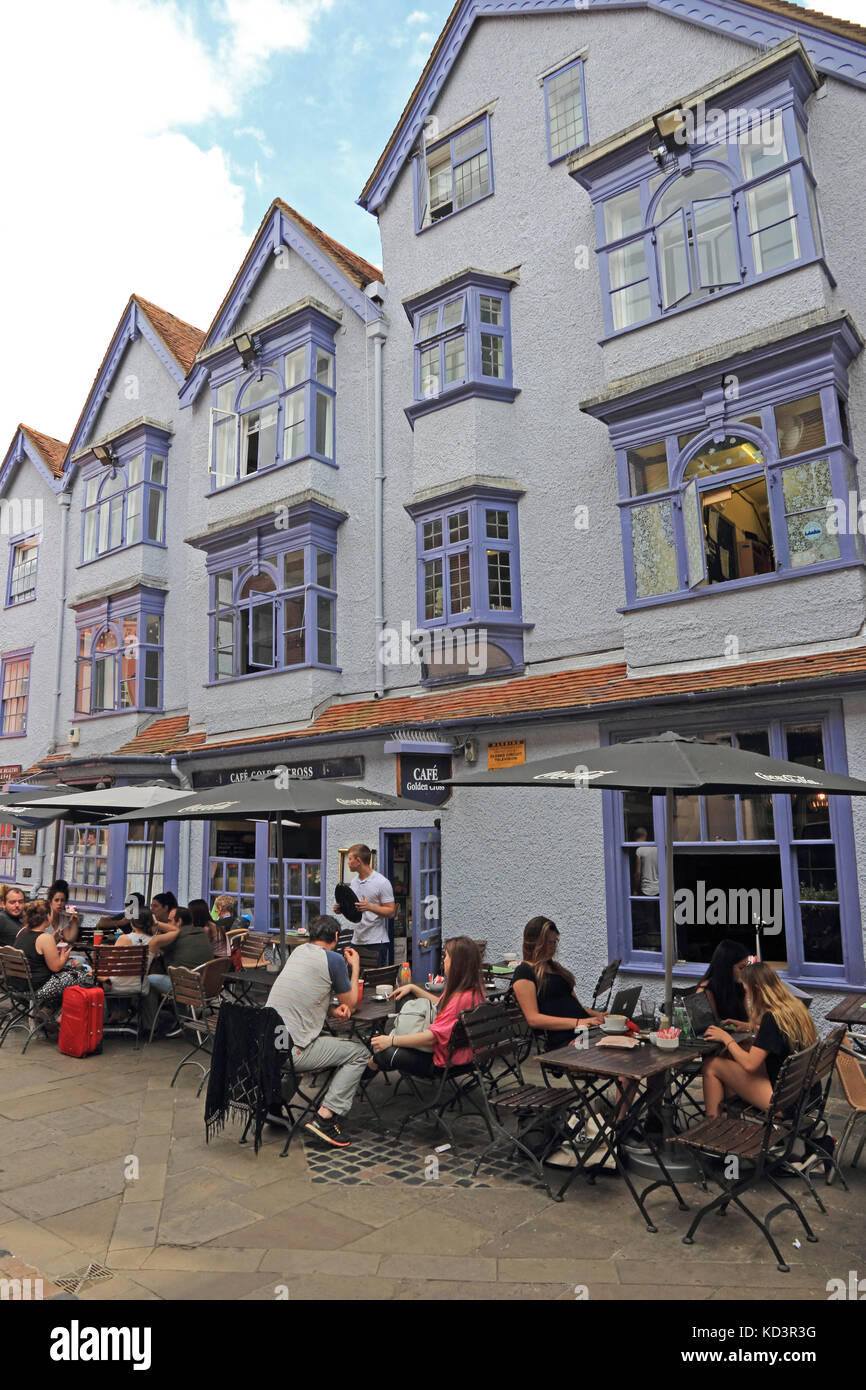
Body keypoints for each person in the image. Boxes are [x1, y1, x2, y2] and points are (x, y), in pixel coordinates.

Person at [266, 914, 368, 1148]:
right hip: (292, 1051)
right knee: (360, 1052)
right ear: (335, 937)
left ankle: (272, 1105)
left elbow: (304, 995)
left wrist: (331, 1010)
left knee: (312, 1039)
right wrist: (355, 967)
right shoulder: (333, 960)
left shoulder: (298, 953)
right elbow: (351, 1003)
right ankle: (325, 1116)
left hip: (269, 1044)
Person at [702, 961, 818, 1117]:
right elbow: (778, 1033)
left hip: (786, 1103)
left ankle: (712, 1128)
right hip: (807, 1094)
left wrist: (726, 1038)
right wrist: (747, 1026)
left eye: (747, 990)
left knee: (711, 1064)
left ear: (756, 990)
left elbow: (750, 1065)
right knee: (737, 1052)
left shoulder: (771, 1018)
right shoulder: (794, 1007)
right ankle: (730, 1120)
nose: (747, 996)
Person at [368, 936, 486, 1081]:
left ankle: (369, 1067)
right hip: (467, 1053)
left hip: (441, 1062)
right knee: (405, 996)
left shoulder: (459, 999)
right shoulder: (473, 990)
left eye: (446, 957)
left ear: (457, 963)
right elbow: (441, 1004)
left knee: (384, 1053)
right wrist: (413, 987)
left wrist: (392, 1040)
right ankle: (380, 1051)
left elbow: (431, 1039)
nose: (444, 961)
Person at [511, 917, 605, 1050]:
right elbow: (533, 1019)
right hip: (565, 1039)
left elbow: (575, 1005)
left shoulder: (556, 968)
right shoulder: (525, 972)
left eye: (555, 942)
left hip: (583, 1032)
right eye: (549, 943)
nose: (553, 947)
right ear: (536, 943)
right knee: (609, 1054)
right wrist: (579, 1022)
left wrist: (596, 1015)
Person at [13, 899, 89, 1015]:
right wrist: (65, 955)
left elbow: (34, 949)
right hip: (37, 988)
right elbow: (56, 967)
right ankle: (61, 1016)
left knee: (68, 976)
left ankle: (48, 1010)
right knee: (84, 975)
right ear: (48, 916)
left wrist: (53, 939)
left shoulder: (22, 931)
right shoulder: (44, 937)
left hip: (18, 986)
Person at [333, 845, 394, 968]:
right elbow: (354, 910)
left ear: (358, 861)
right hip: (357, 940)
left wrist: (370, 907)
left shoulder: (382, 882)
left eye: (350, 859)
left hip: (376, 941)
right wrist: (342, 909)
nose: (348, 862)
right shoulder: (354, 882)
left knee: (373, 982)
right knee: (355, 979)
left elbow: (392, 912)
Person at [696, 938, 750, 1026]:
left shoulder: (739, 985)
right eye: (741, 968)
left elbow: (748, 1019)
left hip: (741, 1035)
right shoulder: (706, 990)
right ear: (726, 967)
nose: (745, 972)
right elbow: (712, 1026)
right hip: (720, 1036)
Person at [632, 828, 659, 897]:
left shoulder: (639, 850)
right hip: (659, 888)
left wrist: (635, 890)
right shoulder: (656, 848)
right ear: (645, 835)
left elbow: (638, 873)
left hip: (646, 889)